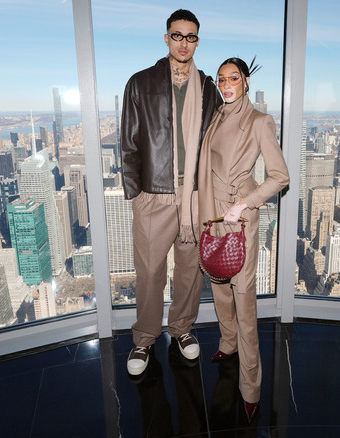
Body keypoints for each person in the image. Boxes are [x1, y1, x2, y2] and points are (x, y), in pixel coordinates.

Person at [120, 9, 222, 376]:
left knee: (190, 271)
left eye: (191, 37)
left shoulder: (208, 88)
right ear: (166, 38)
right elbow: (129, 142)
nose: (183, 43)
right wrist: (137, 193)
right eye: (177, 35)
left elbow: (218, 142)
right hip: (155, 193)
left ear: (197, 41)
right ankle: (144, 339)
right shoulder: (140, 82)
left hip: (194, 195)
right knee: (149, 273)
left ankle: (181, 329)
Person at [197, 57, 290, 422]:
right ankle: (227, 342)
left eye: (233, 78)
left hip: (238, 217)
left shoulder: (259, 121)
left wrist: (243, 204)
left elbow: (279, 176)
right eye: (221, 80)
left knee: (243, 299)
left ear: (246, 81)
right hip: (211, 212)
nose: (226, 84)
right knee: (218, 284)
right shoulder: (218, 115)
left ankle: (250, 387)